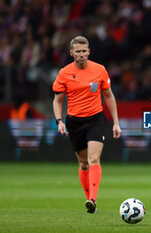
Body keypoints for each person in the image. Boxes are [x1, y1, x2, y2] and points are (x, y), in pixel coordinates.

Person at [52, 36, 122, 214]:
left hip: (96, 119)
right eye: (78, 51)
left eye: (84, 51)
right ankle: (89, 197)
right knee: (83, 164)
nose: (81, 54)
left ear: (89, 52)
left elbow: (109, 96)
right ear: (71, 53)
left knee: (93, 159)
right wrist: (59, 121)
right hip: (74, 121)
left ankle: (93, 200)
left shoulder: (99, 70)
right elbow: (57, 100)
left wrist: (115, 122)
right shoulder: (64, 73)